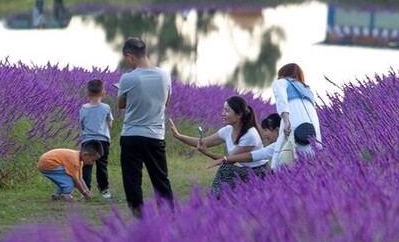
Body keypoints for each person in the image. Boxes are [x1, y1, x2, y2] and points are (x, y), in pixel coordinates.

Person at [117, 37, 173, 215]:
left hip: (132, 135)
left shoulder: (127, 78)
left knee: (132, 180)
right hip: (155, 136)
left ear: (130, 56)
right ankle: (168, 216)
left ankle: (139, 217)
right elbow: (167, 102)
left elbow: (120, 104)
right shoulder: (164, 75)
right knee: (160, 179)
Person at [168, 96, 265, 196]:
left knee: (226, 169)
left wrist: (207, 153)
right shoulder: (228, 130)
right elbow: (203, 142)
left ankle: (216, 200)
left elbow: (230, 160)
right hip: (244, 171)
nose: (222, 113)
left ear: (239, 114)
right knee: (226, 169)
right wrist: (178, 136)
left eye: (227, 111)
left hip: (258, 173)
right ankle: (218, 201)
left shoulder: (250, 135)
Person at [272, 62, 322, 158]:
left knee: (285, 153)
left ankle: (277, 171)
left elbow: (281, 100)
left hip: (293, 116)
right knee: (308, 155)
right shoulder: (307, 89)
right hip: (310, 127)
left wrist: (286, 121)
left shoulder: (281, 82)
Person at [79, 79, 114, 199]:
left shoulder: (83, 108)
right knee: (102, 165)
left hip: (87, 140)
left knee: (86, 165)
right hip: (103, 141)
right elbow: (110, 124)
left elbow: (82, 125)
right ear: (103, 93)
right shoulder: (106, 108)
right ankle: (104, 190)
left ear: (87, 93)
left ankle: (86, 190)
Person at [38, 142, 102, 201]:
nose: (92, 163)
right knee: (71, 181)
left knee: (64, 180)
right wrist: (84, 193)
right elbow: (76, 179)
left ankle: (57, 196)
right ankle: (66, 196)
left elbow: (80, 178)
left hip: (46, 163)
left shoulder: (80, 161)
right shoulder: (75, 160)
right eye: (92, 160)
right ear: (85, 154)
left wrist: (88, 191)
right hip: (48, 163)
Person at [218, 112, 282, 169]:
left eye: (266, 130)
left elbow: (252, 156)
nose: (264, 134)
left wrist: (225, 159)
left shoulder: (278, 145)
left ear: (277, 130)